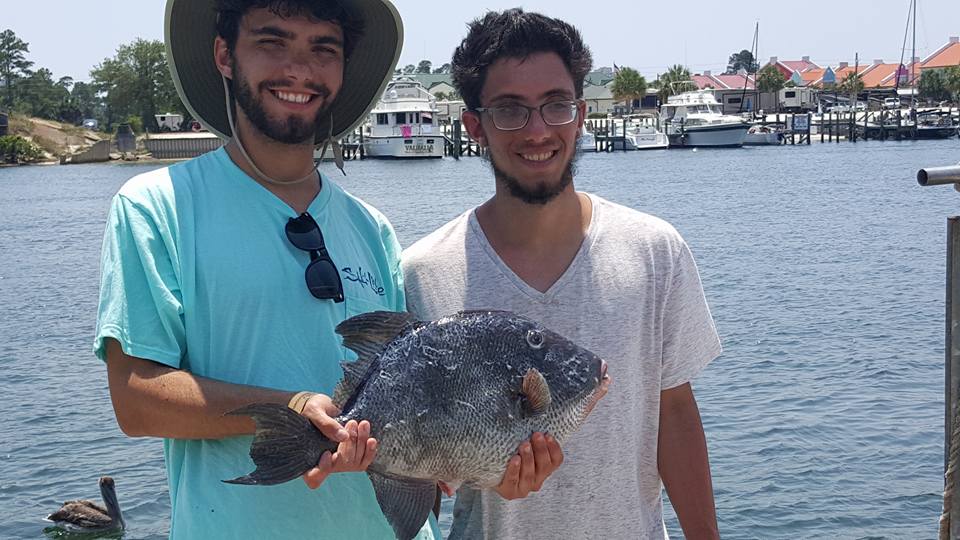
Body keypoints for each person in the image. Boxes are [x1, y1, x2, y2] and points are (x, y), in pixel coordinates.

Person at [94, 0, 438, 537]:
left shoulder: (374, 228)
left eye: (323, 49)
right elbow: (138, 400)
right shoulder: (155, 208)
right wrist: (291, 408)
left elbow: (410, 396)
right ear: (225, 55)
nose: (299, 71)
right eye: (272, 42)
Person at [402, 8, 722, 540]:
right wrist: (479, 472)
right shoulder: (423, 271)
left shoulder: (654, 251)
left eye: (556, 105)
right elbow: (420, 465)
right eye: (510, 110)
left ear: (578, 115)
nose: (537, 130)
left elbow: (676, 417)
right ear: (474, 126)